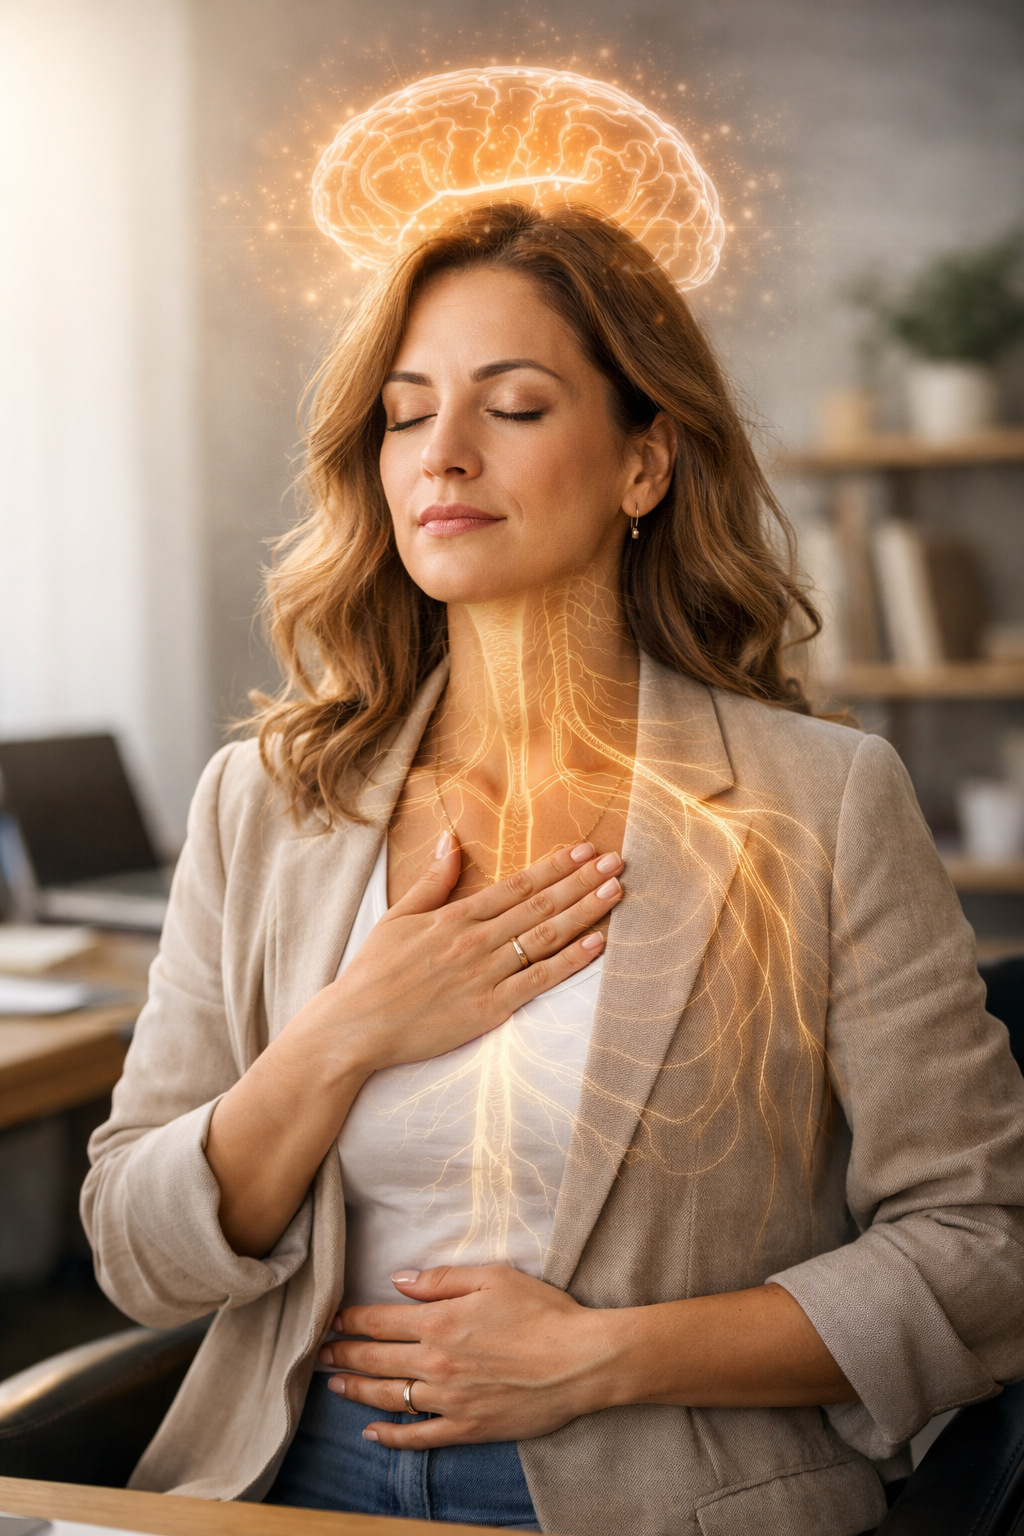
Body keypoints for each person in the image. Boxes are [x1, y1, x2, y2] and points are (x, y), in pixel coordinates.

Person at [82, 199, 1024, 1536]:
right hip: (292, 1479)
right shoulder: (268, 799)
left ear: (646, 464)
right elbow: (133, 1246)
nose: (442, 457)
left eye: (513, 408)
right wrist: (346, 1031)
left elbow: (988, 1254)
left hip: (665, 1488)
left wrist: (599, 1358)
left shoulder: (818, 801)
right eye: (406, 414)